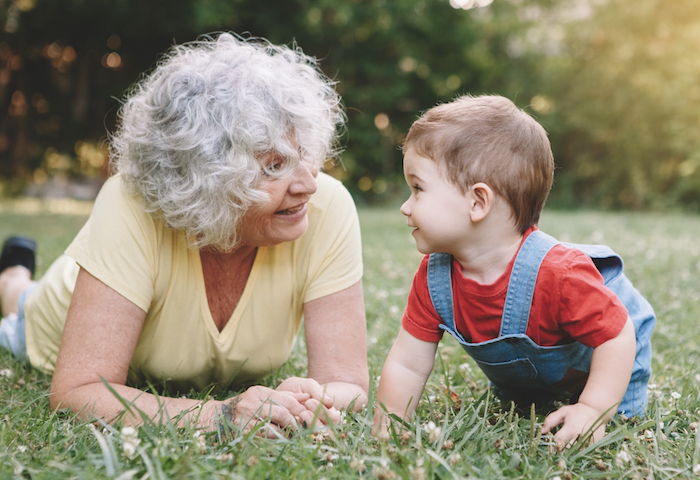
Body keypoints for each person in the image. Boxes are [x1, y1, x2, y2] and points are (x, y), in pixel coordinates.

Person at [0, 33, 369, 435]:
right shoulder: (129, 204)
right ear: (202, 181)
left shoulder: (325, 208)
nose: (308, 185)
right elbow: (78, 392)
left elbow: (347, 382)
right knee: (22, 300)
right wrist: (223, 415)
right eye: (274, 166)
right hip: (52, 312)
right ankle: (13, 276)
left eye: (303, 156)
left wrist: (310, 402)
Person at [373, 95, 655, 446]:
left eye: (418, 189)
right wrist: (388, 427)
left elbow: (616, 335)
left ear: (477, 202)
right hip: (530, 381)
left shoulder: (559, 274)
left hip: (614, 360)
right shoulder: (434, 279)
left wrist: (593, 407)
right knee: (522, 411)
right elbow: (407, 363)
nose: (405, 206)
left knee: (605, 424)